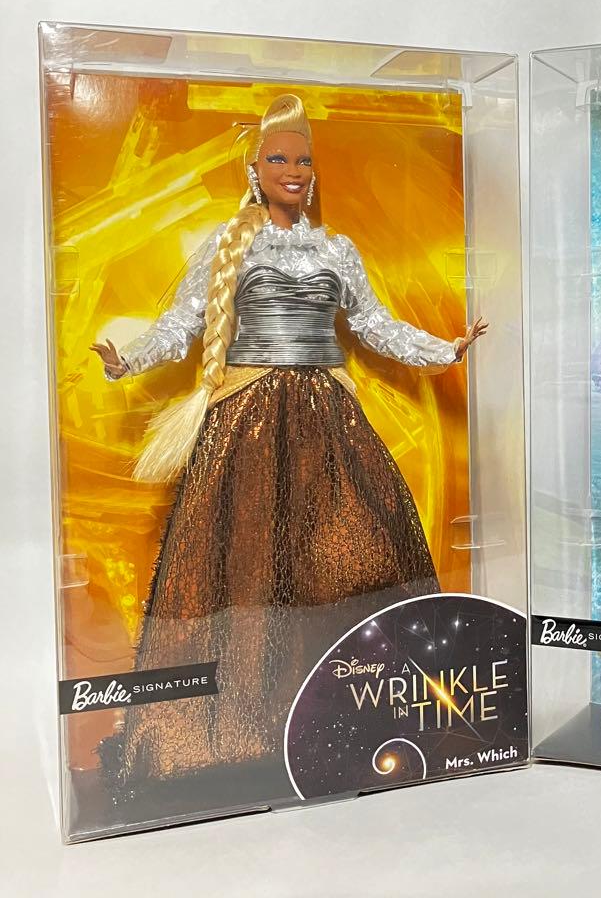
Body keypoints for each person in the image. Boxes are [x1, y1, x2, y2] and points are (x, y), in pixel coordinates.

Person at [90, 93, 486, 804]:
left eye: (303, 160)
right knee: (248, 577)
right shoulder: (229, 245)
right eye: (279, 158)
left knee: (355, 553)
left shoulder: (336, 249)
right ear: (256, 169)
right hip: (247, 422)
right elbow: (181, 324)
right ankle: (243, 736)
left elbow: (374, 323)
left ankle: (352, 716)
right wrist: (127, 361)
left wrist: (445, 349)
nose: (294, 171)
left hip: (327, 419)